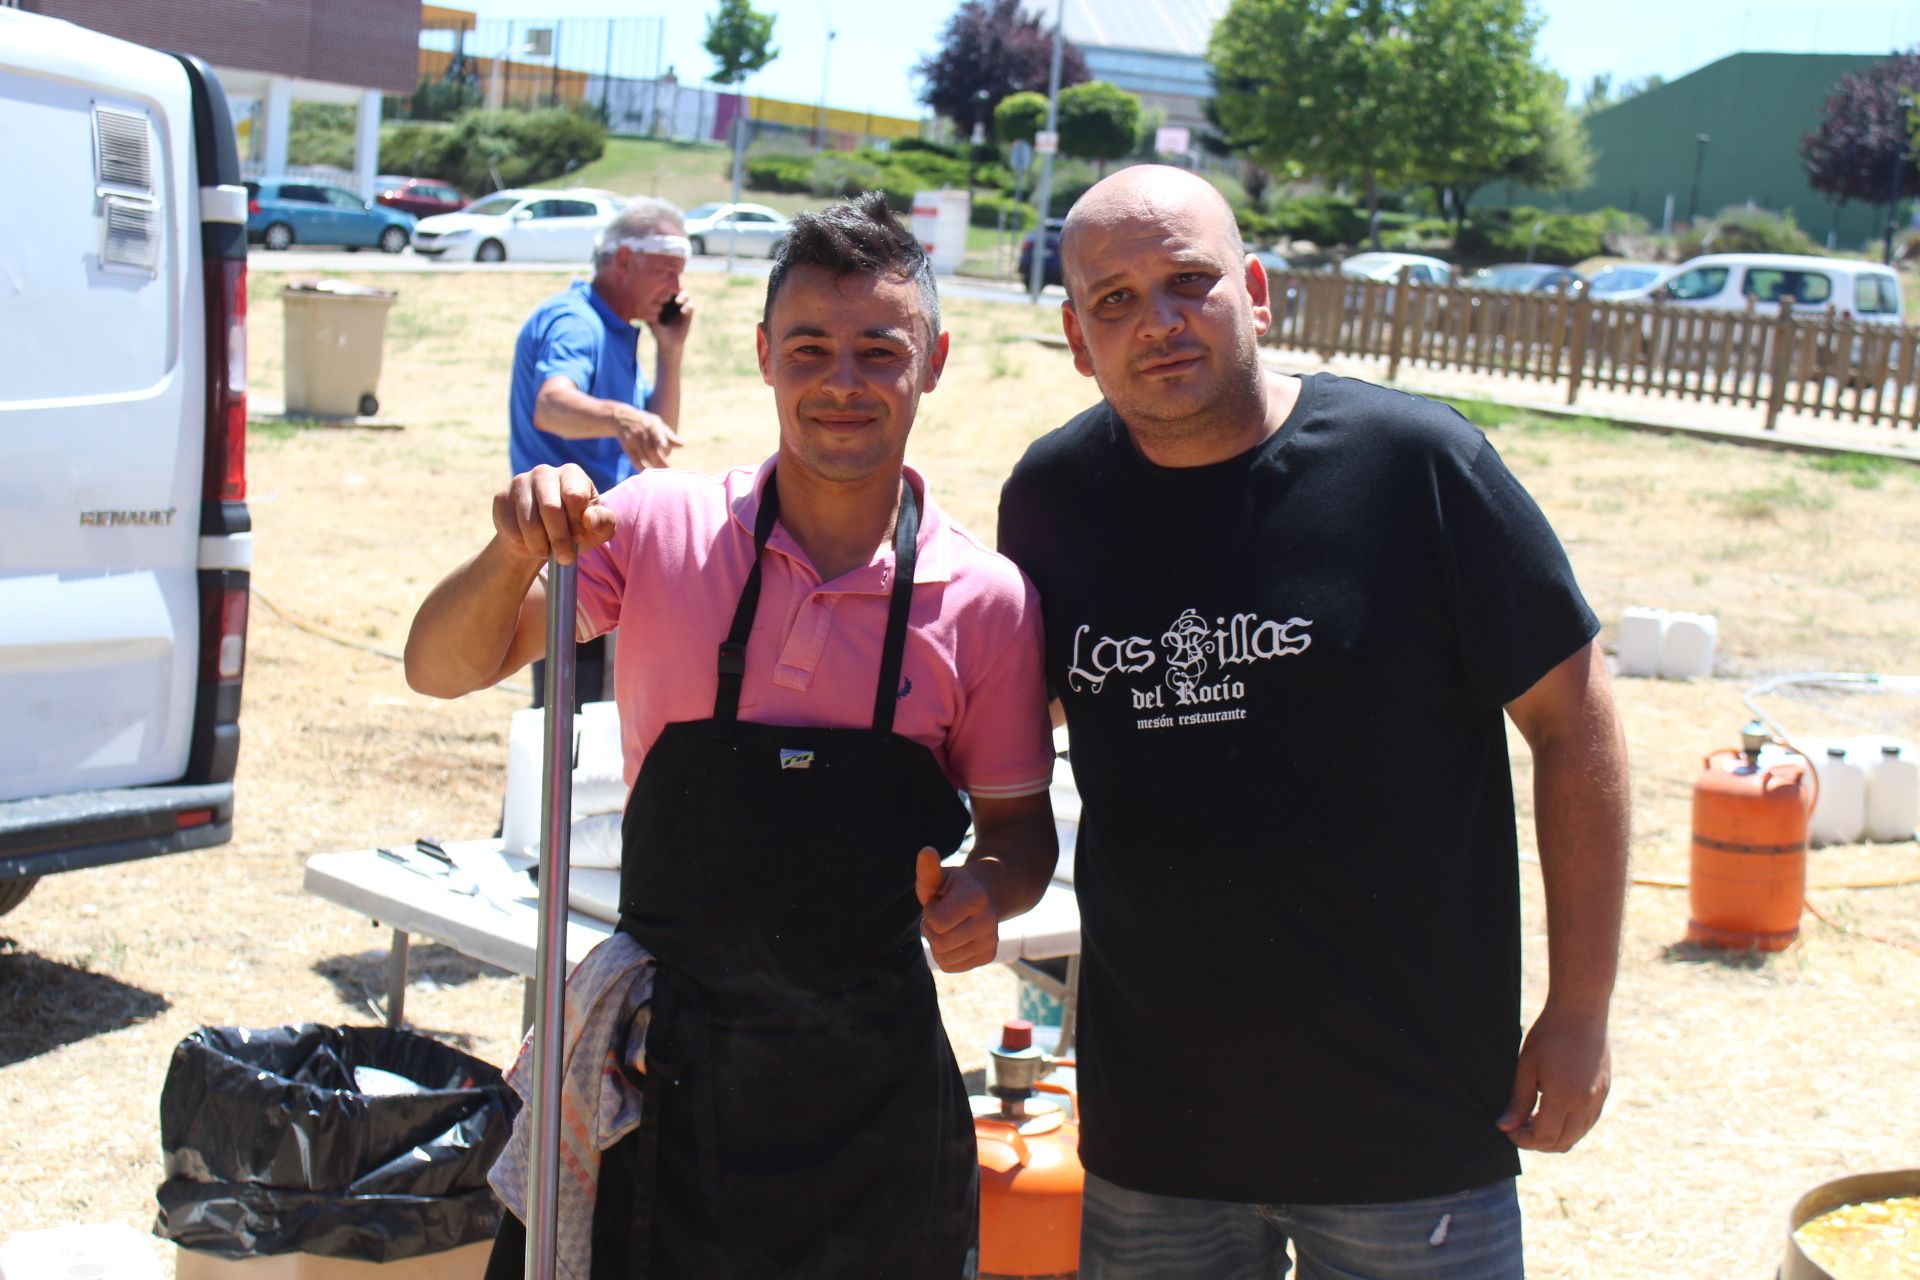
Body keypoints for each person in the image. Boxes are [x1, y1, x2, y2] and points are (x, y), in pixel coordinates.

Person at [408, 192, 1058, 1277]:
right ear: (763, 356)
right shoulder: (656, 525)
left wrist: (989, 890)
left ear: (934, 360)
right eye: (809, 346)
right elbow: (441, 665)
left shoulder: (986, 599)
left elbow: (1019, 830)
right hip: (659, 1078)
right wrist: (515, 548)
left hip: (877, 1103)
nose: (841, 381)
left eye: (877, 350)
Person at [996, 165, 1630, 1279]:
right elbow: (1005, 721)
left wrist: (1578, 1010)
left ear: (1257, 287)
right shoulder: (1051, 500)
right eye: (1115, 299)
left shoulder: (1418, 466)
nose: (1159, 320)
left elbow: (1576, 724)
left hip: (1412, 1124)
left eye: (1190, 280)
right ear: (1074, 332)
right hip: (1159, 1130)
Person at [508, 197, 692, 708]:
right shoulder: (576, 321)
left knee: (606, 710)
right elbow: (551, 404)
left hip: (602, 545)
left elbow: (659, 437)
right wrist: (620, 416)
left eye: (680, 274)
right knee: (572, 709)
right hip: (568, 547)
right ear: (624, 262)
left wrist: (670, 350)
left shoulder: (616, 328)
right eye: (666, 271)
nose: (676, 288)